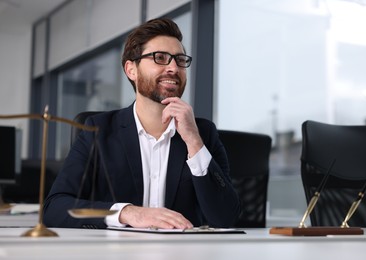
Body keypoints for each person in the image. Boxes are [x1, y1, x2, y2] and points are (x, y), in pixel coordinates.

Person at [43, 18, 240, 229]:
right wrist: (126, 213)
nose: (173, 67)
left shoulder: (203, 133)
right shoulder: (97, 131)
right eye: (160, 58)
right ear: (131, 70)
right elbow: (54, 208)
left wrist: (193, 141)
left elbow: (226, 217)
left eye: (180, 60)